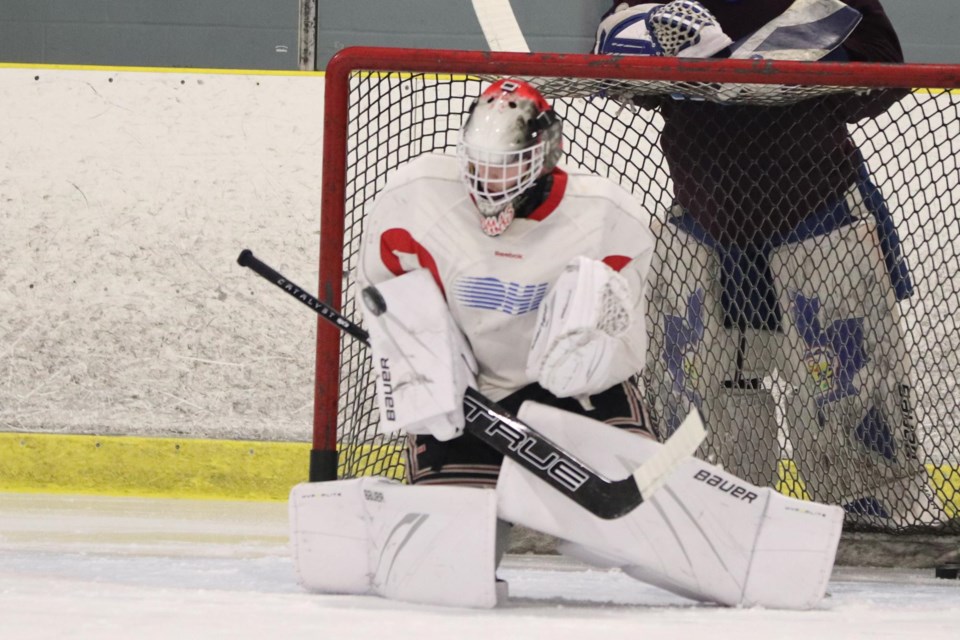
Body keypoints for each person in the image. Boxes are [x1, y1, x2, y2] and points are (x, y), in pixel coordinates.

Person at [287, 77, 845, 611]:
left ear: (546, 154)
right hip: (465, 398)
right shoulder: (416, 197)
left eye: (508, 166)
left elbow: (625, 343)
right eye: (481, 165)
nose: (491, 181)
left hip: (573, 392)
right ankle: (398, 503)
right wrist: (424, 371)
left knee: (634, 521)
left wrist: (589, 360)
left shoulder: (606, 214)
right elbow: (390, 303)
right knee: (446, 560)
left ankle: (760, 545)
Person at [595, 0, 943, 526]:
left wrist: (756, 70)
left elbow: (884, 74)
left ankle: (878, 522)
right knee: (699, 391)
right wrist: (690, 68)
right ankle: (712, 516)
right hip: (705, 216)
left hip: (819, 213)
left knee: (848, 385)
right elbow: (615, 69)